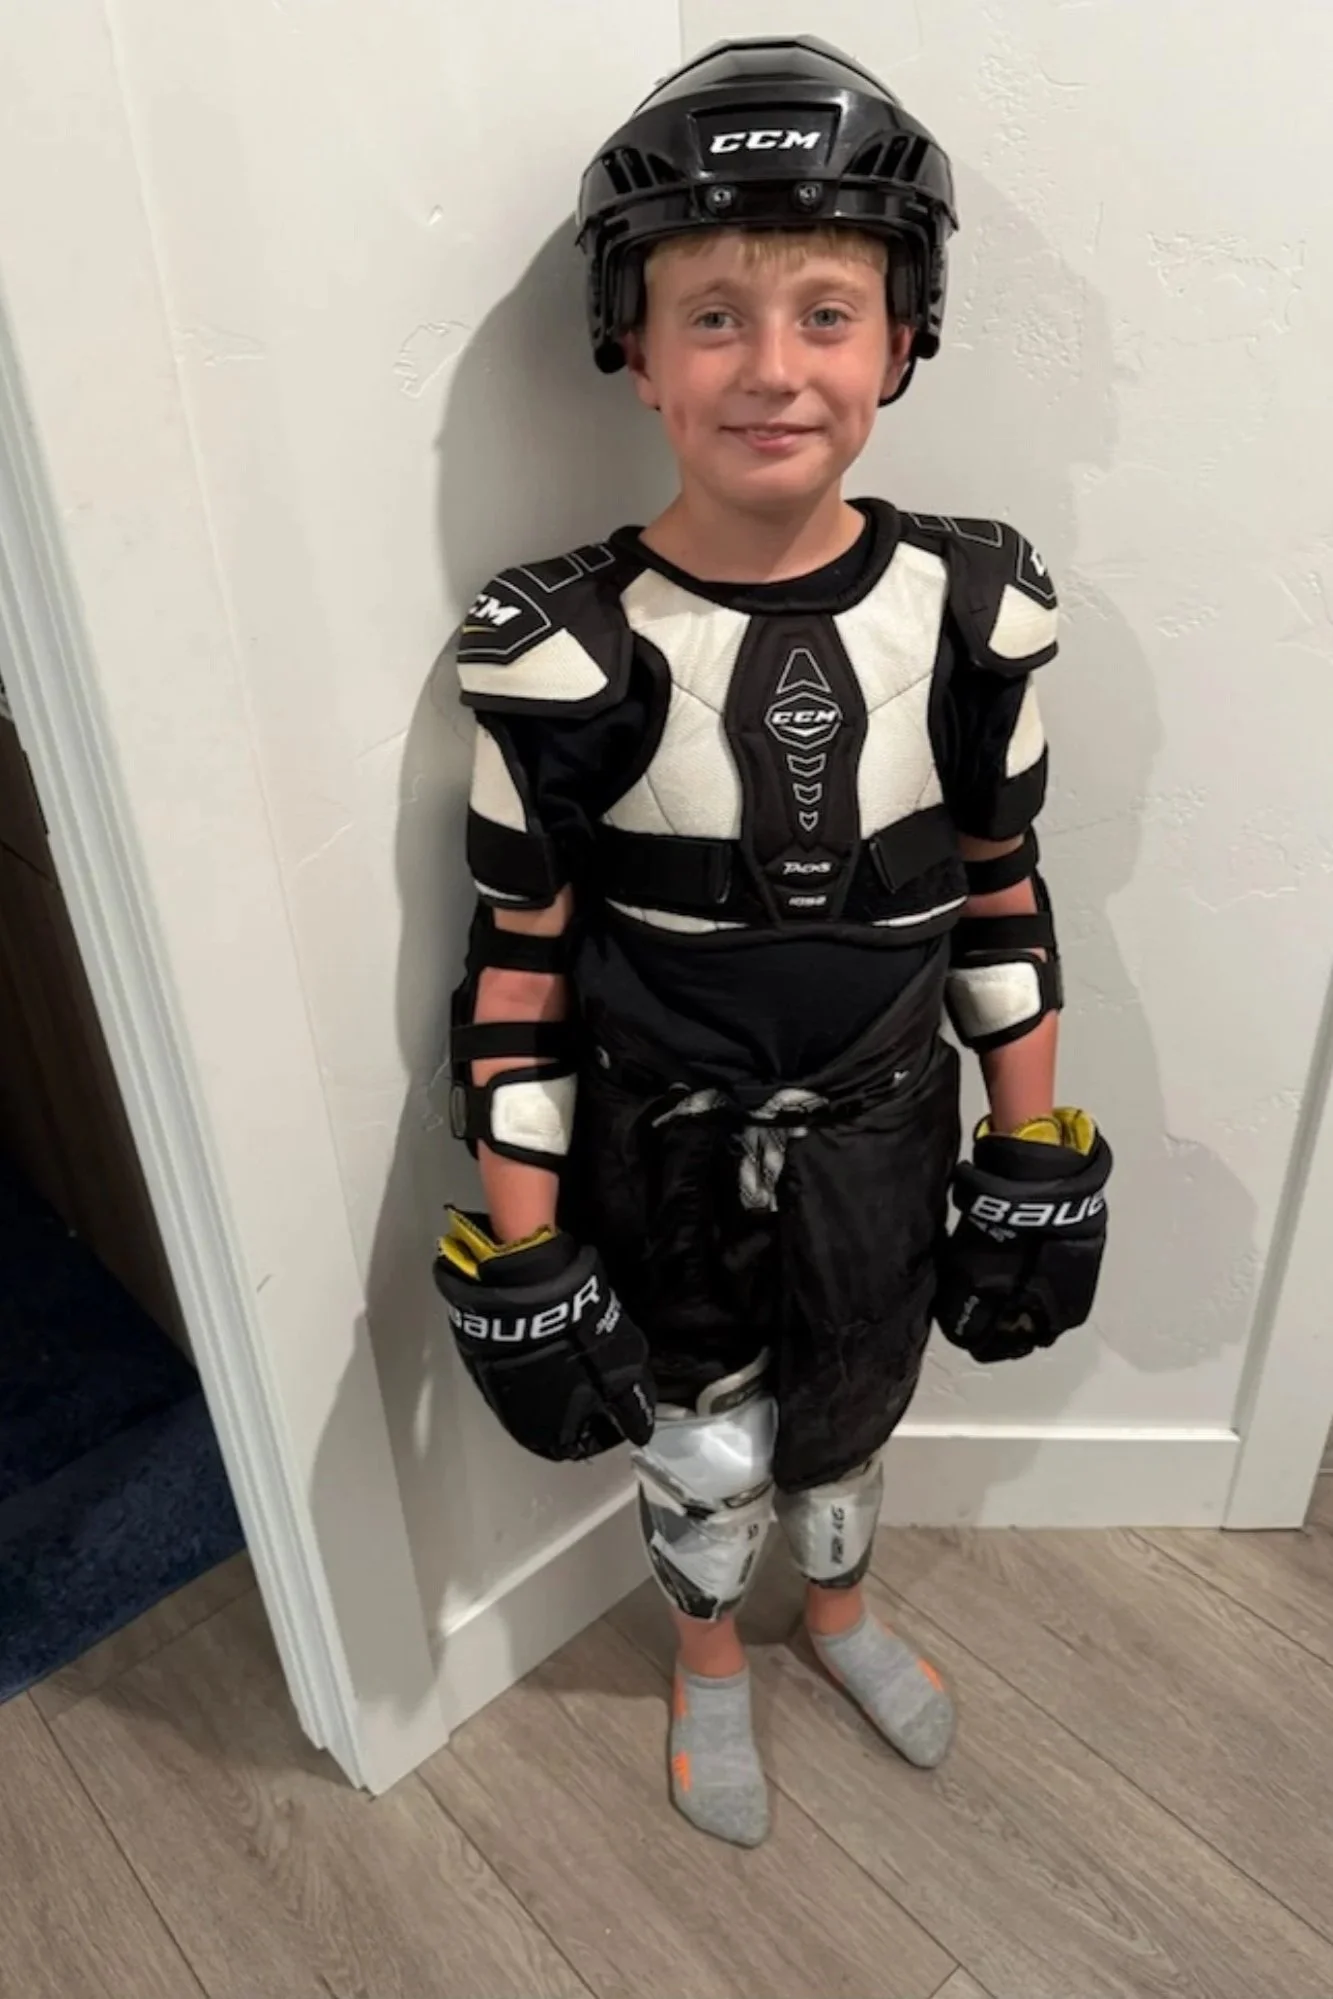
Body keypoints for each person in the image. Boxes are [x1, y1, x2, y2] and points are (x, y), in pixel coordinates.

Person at [434, 34, 1112, 1849]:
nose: (773, 364)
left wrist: (1036, 1148)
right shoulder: (563, 647)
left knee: (857, 1401)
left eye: (828, 310)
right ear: (631, 350)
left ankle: (845, 1609)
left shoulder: (978, 608)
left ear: (903, 339)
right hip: (664, 1137)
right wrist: (523, 1247)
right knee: (701, 1431)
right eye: (713, 314)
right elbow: (518, 968)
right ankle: (712, 1656)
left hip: (891, 1119)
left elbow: (1002, 895)